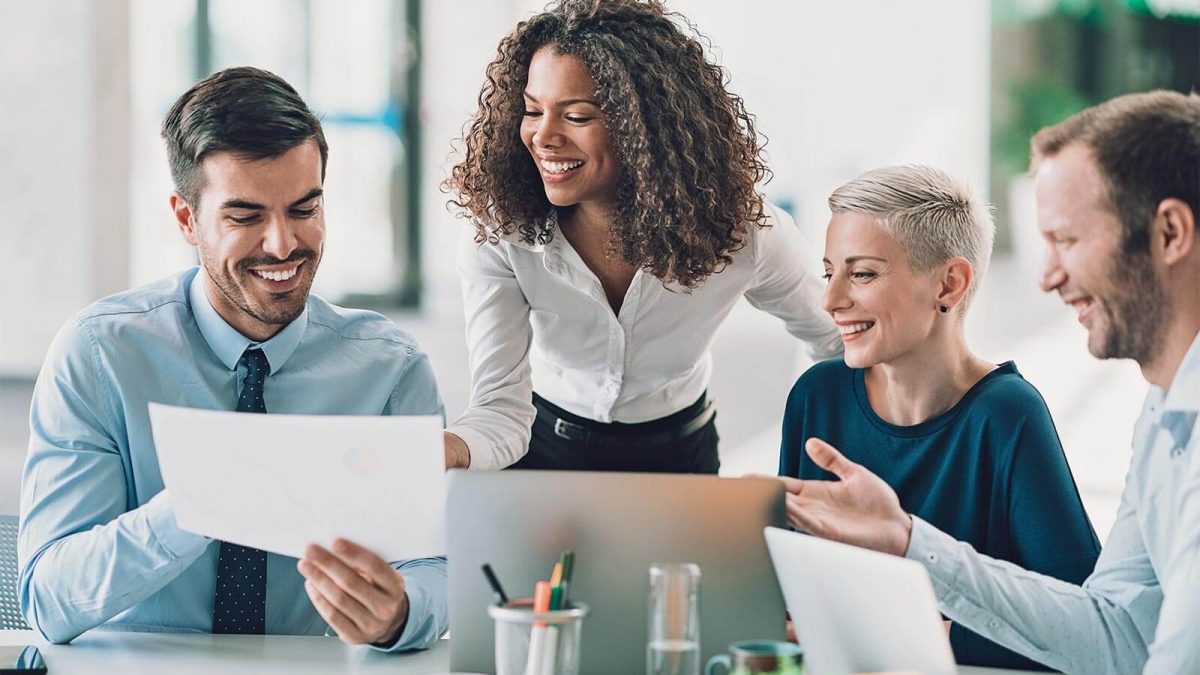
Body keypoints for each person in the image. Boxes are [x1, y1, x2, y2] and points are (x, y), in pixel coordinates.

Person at [18, 67, 448, 650]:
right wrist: (202, 501)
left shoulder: (390, 371)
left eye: (304, 209)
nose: (282, 245)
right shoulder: (99, 354)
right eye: (245, 217)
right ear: (186, 218)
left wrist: (400, 614)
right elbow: (48, 598)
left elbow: (435, 567)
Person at [779, 90, 1200, 675]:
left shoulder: (1010, 411)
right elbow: (1116, 637)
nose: (1048, 277)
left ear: (1171, 233)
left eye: (1068, 240)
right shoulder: (1164, 419)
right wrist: (906, 539)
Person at [442, 0, 841, 472]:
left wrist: (813, 445)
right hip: (542, 446)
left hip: (679, 453)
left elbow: (835, 342)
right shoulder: (503, 234)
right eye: (532, 110)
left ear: (643, 126)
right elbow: (499, 413)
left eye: (577, 116)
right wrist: (446, 451)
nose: (542, 136)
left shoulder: (743, 233)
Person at [779, 165, 1099, 669]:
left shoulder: (1007, 415)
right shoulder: (817, 397)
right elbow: (786, 595)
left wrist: (894, 633)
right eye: (828, 272)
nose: (831, 299)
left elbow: (1083, 632)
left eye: (861, 273)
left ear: (949, 284)